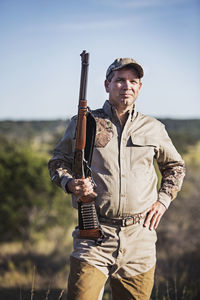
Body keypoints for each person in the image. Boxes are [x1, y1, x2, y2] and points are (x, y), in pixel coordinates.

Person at [48, 57, 185, 300]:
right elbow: (58, 161)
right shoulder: (85, 123)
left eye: (133, 81)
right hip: (94, 233)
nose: (127, 86)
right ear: (107, 84)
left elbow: (175, 167)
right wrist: (70, 183)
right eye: (120, 80)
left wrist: (163, 200)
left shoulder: (153, 127)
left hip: (140, 238)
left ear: (139, 88)